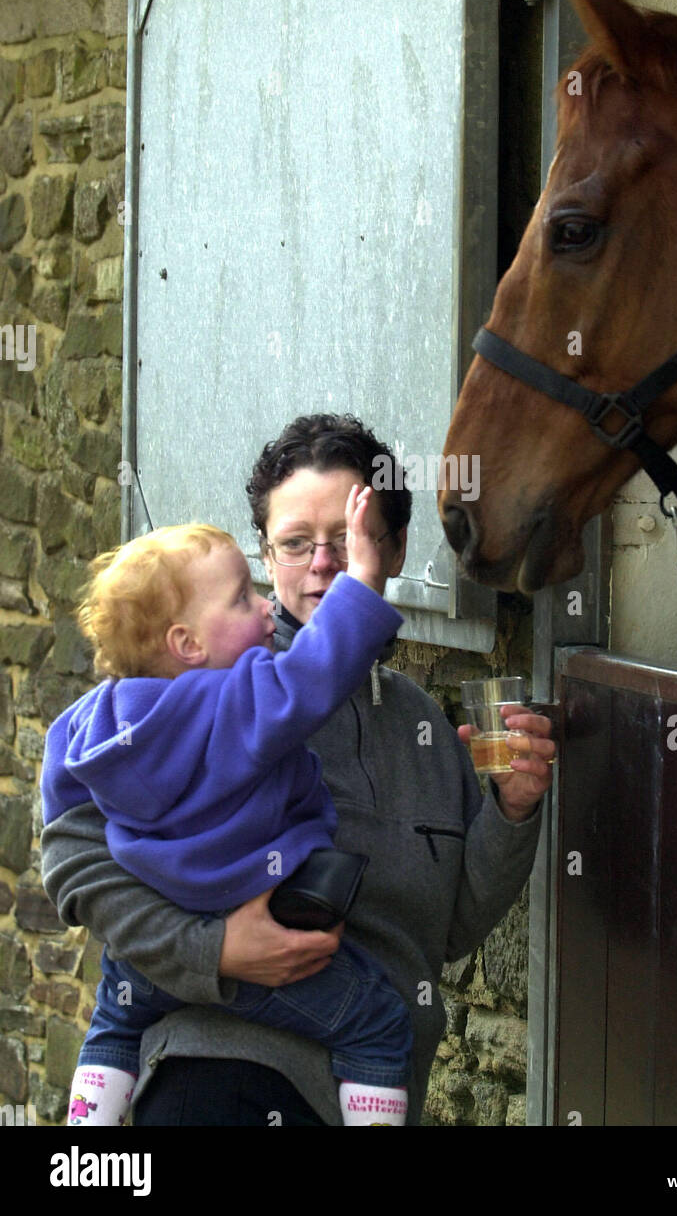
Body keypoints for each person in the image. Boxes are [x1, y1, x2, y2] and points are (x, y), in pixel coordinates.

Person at [41, 414, 555, 1126]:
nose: (322, 563)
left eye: (347, 540)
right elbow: (72, 858)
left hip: (363, 1085)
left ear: (394, 546)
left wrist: (514, 807)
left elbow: (450, 928)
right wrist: (213, 949)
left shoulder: (422, 726)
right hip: (217, 1069)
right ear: (265, 553)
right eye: (295, 543)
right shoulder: (200, 691)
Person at [41, 488, 414, 1128]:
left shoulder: (84, 725)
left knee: (114, 1021)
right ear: (187, 643)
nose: (265, 603)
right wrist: (362, 580)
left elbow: (64, 809)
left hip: (151, 959)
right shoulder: (240, 699)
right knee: (378, 1022)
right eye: (243, 597)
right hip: (267, 942)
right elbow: (315, 675)